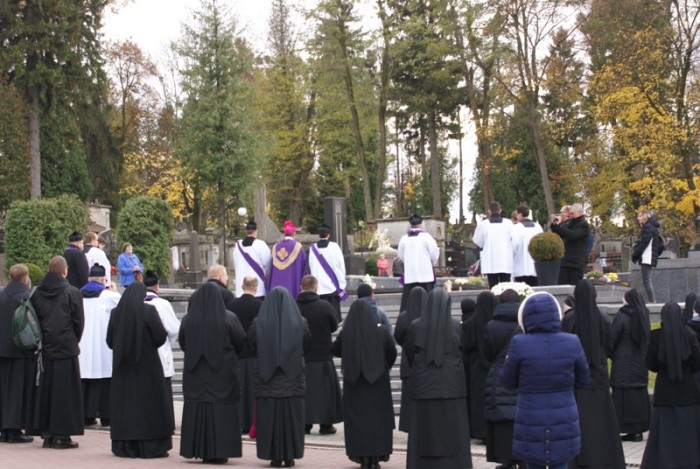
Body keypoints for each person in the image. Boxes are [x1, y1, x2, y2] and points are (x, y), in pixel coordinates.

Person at [500, 292, 590, 469]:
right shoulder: (572, 342)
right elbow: (584, 380)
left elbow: (507, 382)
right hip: (564, 415)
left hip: (530, 414)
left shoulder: (519, 343)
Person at [403, 288, 472, 469]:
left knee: (424, 432)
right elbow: (462, 353)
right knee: (453, 432)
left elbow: (410, 353)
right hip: (452, 387)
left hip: (424, 387)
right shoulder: (456, 326)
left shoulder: (415, 326)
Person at [179, 282, 247, 464]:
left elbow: (182, 343)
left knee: (198, 409)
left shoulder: (188, 319)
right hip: (223, 375)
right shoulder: (229, 318)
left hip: (195, 376)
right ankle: (222, 450)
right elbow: (241, 342)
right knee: (221, 412)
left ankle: (198, 448)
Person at [562, 279, 626, 468]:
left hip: (576, 380)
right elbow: (609, 345)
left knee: (580, 423)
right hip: (599, 377)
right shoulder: (603, 318)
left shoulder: (569, 319)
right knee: (602, 424)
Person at [107, 282, 173, 458]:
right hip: (148, 367)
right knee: (149, 405)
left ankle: (125, 445)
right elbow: (160, 335)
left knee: (126, 407)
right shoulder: (149, 311)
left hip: (123, 369)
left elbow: (110, 340)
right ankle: (151, 445)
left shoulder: (116, 314)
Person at [248, 287, 310, 468]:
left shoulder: (258, 323)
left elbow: (251, 345)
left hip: (267, 381)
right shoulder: (300, 322)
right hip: (293, 380)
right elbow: (307, 344)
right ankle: (290, 455)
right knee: (292, 420)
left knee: (269, 420)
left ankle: (273, 455)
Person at [332, 300, 397, 469]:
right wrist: (383, 368)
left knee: (357, 422)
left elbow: (335, 349)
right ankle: (376, 457)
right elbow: (392, 352)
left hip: (354, 385)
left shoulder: (346, 334)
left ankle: (361, 456)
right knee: (377, 421)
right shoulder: (381, 332)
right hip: (378, 385)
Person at [30, 256, 85, 449]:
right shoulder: (72, 292)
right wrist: (72, 340)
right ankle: (62, 435)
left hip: (46, 349)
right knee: (66, 394)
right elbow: (79, 322)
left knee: (47, 391)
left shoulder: (37, 294)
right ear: (64, 271)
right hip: (66, 347)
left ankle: (48, 434)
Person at [641, 302, 700, 469]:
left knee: (665, 433)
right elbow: (697, 363)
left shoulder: (656, 336)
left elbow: (651, 364)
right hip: (688, 391)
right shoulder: (688, 334)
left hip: (664, 391)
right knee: (688, 430)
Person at [296, 275, 343, 436]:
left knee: (304, 392)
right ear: (316, 288)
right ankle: (326, 424)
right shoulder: (325, 306)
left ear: (301, 287)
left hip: (301, 355)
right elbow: (333, 326)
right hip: (322, 354)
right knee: (325, 392)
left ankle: (305, 424)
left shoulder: (294, 306)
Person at [483, 289, 523, 469]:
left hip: (498, 373)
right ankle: (522, 458)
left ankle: (506, 460)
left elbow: (487, 352)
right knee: (519, 416)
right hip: (521, 373)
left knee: (502, 418)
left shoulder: (491, 325)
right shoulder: (524, 323)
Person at [78, 263, 121, 428]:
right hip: (102, 345)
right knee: (104, 378)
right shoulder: (108, 296)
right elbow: (122, 308)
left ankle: (85, 416)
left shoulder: (77, 294)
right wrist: (114, 291)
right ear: (104, 280)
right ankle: (106, 416)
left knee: (85, 378)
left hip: (83, 345)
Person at [0, 264, 35, 443]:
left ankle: (3, 430)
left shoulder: (2, 294)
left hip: (2, 350)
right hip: (21, 350)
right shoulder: (25, 297)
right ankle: (13, 430)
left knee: (4, 390)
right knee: (18, 391)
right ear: (24, 278)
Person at [610, 289, 651, 442]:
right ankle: (637, 431)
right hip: (640, 363)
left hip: (622, 363)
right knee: (637, 397)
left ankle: (623, 429)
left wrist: (609, 352)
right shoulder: (643, 315)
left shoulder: (621, 316)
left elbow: (612, 338)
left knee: (623, 398)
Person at [143, 270, 181, 424]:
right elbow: (174, 330)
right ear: (157, 287)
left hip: (141, 359)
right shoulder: (162, 304)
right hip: (160, 355)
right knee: (162, 395)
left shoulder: (135, 303)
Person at [230, 275, 263, 435]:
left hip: (236, 353)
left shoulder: (232, 305)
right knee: (252, 391)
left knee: (238, 390)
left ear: (242, 286)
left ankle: (238, 420)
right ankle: (251, 421)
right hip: (253, 353)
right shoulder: (260, 305)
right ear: (256, 288)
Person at [462, 290, 497, 441]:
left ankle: (478, 431)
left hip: (476, 367)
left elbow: (465, 345)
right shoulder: (497, 323)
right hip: (496, 367)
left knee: (477, 400)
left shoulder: (470, 323)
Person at [393, 286, 427, 433]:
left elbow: (397, 336)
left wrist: (407, 345)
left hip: (408, 360)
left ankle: (408, 425)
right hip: (425, 360)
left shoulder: (403, 316)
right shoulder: (429, 314)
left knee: (408, 395)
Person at [397, 214, 439, 312]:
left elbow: (401, 256)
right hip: (425, 275)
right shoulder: (427, 237)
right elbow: (434, 254)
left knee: (408, 304)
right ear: (421, 225)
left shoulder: (404, 239)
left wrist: (408, 263)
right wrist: (431, 263)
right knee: (428, 303)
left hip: (410, 276)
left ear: (410, 225)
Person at [308, 223, 347, 320]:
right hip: (332, 286)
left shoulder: (313, 248)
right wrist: (342, 281)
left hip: (319, 285)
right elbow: (341, 264)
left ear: (318, 235)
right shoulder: (334, 246)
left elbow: (311, 265)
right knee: (333, 314)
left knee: (320, 314)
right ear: (328, 235)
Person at [473, 201, 514, 289]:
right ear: (500, 210)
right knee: (506, 287)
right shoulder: (509, 223)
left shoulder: (483, 225)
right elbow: (514, 240)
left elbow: (478, 241)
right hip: (505, 260)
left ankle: (495, 302)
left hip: (490, 261)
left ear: (489, 211)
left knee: (493, 288)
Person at [551, 203, 590, 285]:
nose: (570, 215)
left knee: (574, 285)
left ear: (579, 212)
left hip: (575, 262)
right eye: (570, 213)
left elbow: (572, 235)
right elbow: (561, 233)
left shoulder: (583, 224)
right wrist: (555, 225)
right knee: (561, 285)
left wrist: (561, 227)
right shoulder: (570, 222)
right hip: (565, 260)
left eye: (572, 213)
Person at [267, 220, 307, 299]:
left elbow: (270, 268)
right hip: (291, 286)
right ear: (294, 234)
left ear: (284, 234)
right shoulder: (298, 247)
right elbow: (303, 266)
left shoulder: (275, 247)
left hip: (275, 286)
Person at [233, 220, 271, 298]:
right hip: (257, 288)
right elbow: (268, 262)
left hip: (241, 288)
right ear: (256, 231)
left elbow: (235, 263)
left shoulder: (237, 246)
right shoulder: (260, 244)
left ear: (247, 231)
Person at [631, 209, 661, 303]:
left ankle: (652, 301)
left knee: (647, 281)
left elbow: (644, 243)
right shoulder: (650, 226)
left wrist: (635, 254)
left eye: (640, 216)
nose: (638, 218)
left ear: (645, 217)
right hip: (648, 256)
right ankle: (652, 300)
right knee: (647, 280)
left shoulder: (648, 227)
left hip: (647, 256)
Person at [511, 205, 542, 286]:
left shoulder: (516, 228)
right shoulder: (538, 227)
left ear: (520, 214)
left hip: (521, 267)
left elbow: (513, 246)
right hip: (536, 267)